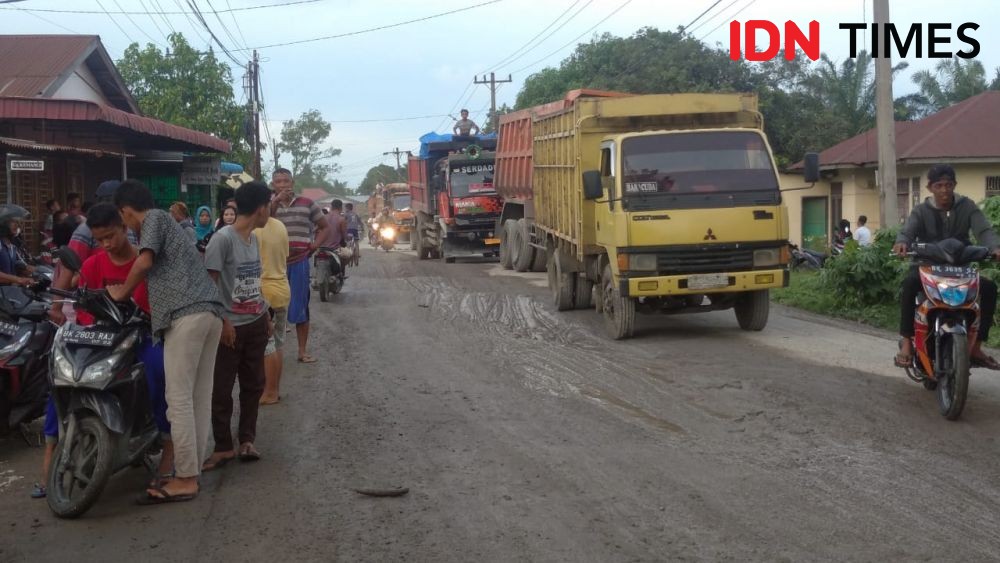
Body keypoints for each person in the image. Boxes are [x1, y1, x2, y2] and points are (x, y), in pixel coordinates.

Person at [109, 179, 224, 505]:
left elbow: (144, 262)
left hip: (186, 315)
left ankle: (185, 478)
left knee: (179, 399)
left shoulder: (154, 220)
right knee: (197, 397)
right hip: (209, 312)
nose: (127, 226)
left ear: (125, 211)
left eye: (124, 219)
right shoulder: (168, 223)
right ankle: (194, 467)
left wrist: (121, 291)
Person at [892, 164, 1000, 370]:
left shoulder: (967, 206)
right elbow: (908, 231)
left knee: (989, 288)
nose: (944, 190)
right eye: (939, 185)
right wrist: (902, 242)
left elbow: (983, 229)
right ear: (930, 187)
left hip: (961, 268)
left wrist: (995, 247)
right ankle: (907, 343)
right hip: (927, 266)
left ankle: (976, 347)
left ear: (954, 185)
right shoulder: (921, 210)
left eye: (948, 185)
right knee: (909, 284)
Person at [202, 181, 273, 470]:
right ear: (260, 209)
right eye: (269, 205)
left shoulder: (253, 239)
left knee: (253, 385)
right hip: (230, 328)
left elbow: (252, 282)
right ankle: (222, 447)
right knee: (220, 389)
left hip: (255, 322)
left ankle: (246, 440)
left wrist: (266, 315)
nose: (270, 211)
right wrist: (223, 321)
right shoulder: (223, 239)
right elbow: (209, 284)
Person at [30, 212, 79, 498]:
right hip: (71, 343)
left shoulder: (68, 263)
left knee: (57, 404)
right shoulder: (72, 262)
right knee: (57, 405)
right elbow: (58, 307)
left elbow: (57, 308)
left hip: (70, 342)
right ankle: (47, 479)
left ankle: (46, 480)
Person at [270, 168, 328, 364]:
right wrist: (275, 201)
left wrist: (314, 245)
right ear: (273, 185)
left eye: (286, 181)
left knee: (300, 306)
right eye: (278, 181)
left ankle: (302, 351)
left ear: (292, 183)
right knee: (270, 307)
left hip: (299, 261)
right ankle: (271, 352)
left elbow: (324, 226)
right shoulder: (269, 205)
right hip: (273, 263)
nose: (283, 185)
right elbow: (261, 223)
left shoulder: (307, 203)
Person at [255, 212, 290, 406]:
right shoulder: (280, 226)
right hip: (282, 288)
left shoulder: (254, 230)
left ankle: (269, 391)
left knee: (267, 346)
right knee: (277, 344)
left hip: (265, 291)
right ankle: (275, 389)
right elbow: (285, 255)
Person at [0, 211, 33, 286]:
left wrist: (41, 272)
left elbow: (23, 266)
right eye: (12, 222)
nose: (16, 225)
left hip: (9, 290)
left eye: (16, 222)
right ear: (3, 224)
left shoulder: (13, 247)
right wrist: (19, 280)